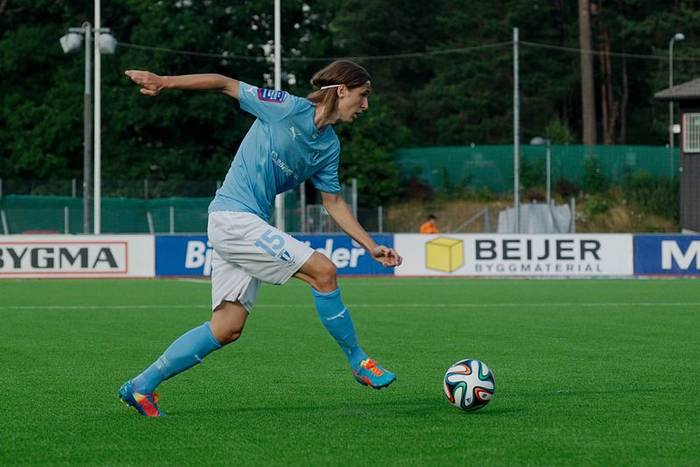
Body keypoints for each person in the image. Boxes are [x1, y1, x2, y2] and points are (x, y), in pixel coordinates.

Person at [118, 60, 403, 417]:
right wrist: (164, 82)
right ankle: (359, 361)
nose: (366, 105)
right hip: (233, 218)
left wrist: (370, 246)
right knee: (324, 271)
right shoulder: (286, 107)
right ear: (342, 90)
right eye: (363, 95)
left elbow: (333, 202)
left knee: (227, 328)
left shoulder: (329, 146)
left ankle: (141, 386)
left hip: (243, 224)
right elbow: (224, 82)